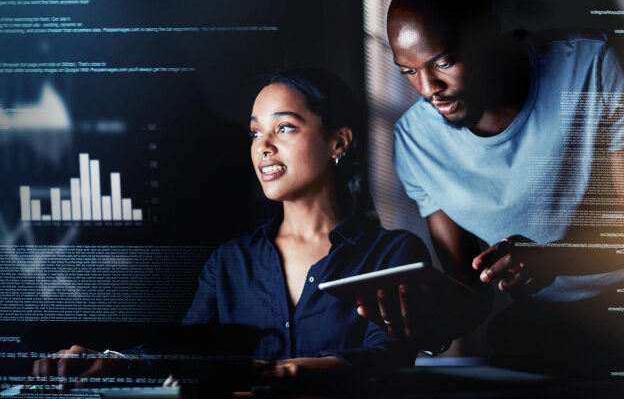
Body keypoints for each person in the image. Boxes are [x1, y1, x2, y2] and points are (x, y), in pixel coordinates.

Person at [31, 69, 429, 386]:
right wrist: (117, 362)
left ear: (338, 142)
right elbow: (187, 350)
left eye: (284, 127)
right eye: (256, 132)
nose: (263, 146)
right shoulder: (229, 262)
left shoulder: (394, 255)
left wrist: (277, 372)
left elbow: (387, 356)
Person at [359, 0, 624, 376]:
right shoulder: (414, 141)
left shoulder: (593, 65)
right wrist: (422, 324)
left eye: (444, 62)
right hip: (544, 318)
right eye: (408, 72)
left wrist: (556, 257)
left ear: (485, 35)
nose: (429, 88)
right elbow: (471, 294)